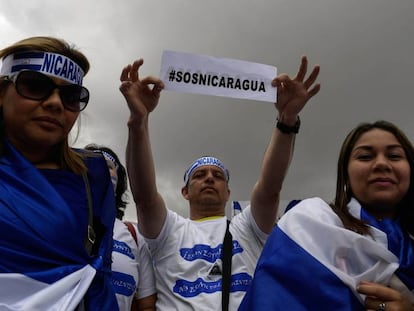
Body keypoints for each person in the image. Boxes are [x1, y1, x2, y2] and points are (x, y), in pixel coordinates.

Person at [119, 55, 320, 310]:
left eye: (218, 175)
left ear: (228, 192)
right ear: (184, 192)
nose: (210, 178)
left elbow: (270, 189)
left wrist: (287, 120)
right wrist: (138, 121)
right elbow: (145, 198)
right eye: (199, 175)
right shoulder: (169, 231)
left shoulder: (247, 227)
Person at [239, 120, 414, 311]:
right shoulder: (308, 224)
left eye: (394, 156)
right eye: (365, 156)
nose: (381, 163)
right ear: (345, 174)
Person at [0, 36, 117, 309]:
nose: (55, 103)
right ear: (2, 92)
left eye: (71, 96)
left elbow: (100, 275)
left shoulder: (93, 177)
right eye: (35, 86)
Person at [84, 144, 157, 311]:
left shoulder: (135, 236)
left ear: (119, 184)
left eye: (108, 166)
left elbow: (147, 305)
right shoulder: (61, 224)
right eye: (92, 164)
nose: (100, 170)